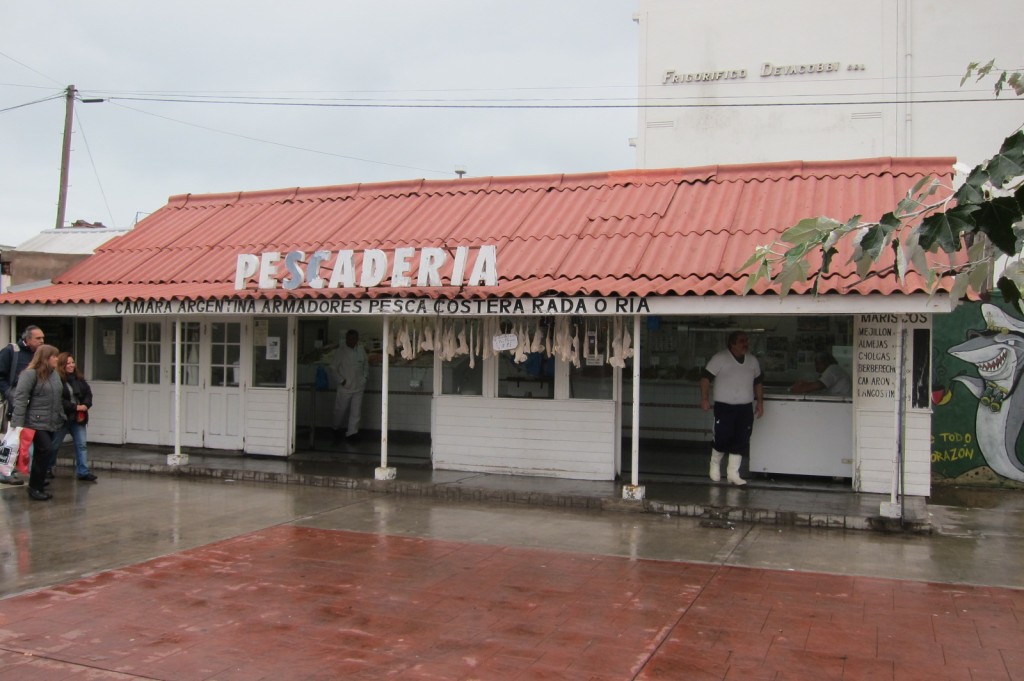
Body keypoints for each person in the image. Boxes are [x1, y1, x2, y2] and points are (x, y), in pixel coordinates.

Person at [699, 331, 764, 486]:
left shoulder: (753, 361)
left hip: (745, 407)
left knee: (742, 438)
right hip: (724, 407)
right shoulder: (720, 358)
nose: (745, 344)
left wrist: (760, 402)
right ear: (732, 343)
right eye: (741, 341)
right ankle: (715, 464)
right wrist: (704, 398)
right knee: (722, 437)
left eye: (746, 341)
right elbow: (705, 379)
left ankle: (733, 473)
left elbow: (758, 382)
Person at [10, 345, 66, 501]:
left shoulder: (54, 375)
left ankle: (37, 483)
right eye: (54, 356)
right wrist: (17, 424)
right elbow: (20, 399)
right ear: (46, 358)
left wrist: (61, 416)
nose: (57, 359)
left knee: (43, 453)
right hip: (34, 421)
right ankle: (35, 487)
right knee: (45, 449)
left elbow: (57, 398)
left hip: (50, 421)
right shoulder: (30, 374)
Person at [0, 325, 46, 486]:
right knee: (11, 440)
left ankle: (34, 475)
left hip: (34, 406)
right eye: (38, 338)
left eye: (43, 338)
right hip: (14, 405)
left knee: (31, 442)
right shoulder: (12, 351)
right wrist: (9, 393)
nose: (42, 341)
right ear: (27, 339)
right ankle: (5, 472)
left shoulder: (40, 355)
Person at [49, 353, 97, 482]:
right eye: (68, 363)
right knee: (54, 445)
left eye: (72, 362)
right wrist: (75, 407)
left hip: (78, 418)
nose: (71, 365)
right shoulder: (57, 380)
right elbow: (58, 400)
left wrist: (85, 405)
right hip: (63, 418)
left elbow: (88, 393)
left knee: (81, 445)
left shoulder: (79, 379)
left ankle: (83, 472)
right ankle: (48, 467)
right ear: (62, 365)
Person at [331, 329, 369, 443]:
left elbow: (366, 364)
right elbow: (333, 368)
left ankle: (352, 433)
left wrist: (365, 377)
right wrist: (342, 381)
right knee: (340, 410)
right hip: (345, 387)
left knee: (356, 412)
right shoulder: (340, 351)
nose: (353, 341)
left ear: (357, 339)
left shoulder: (360, 349)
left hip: (359, 386)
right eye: (350, 338)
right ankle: (335, 428)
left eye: (355, 338)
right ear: (346, 338)